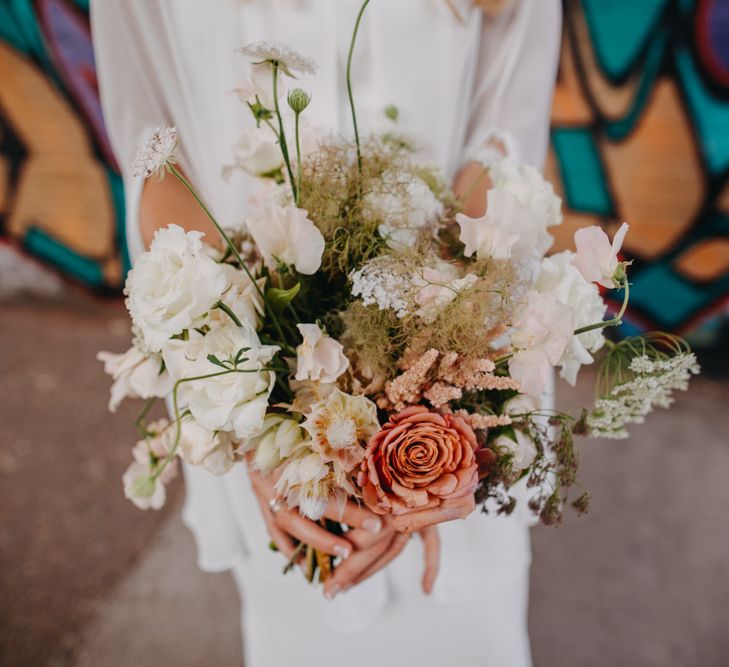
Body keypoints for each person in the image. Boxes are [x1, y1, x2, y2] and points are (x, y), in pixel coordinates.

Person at [91, 1, 561, 664]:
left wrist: (423, 423)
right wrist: (257, 406)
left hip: (465, 362)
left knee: (464, 627)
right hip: (263, 408)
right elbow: (155, 155)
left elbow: (505, 139)